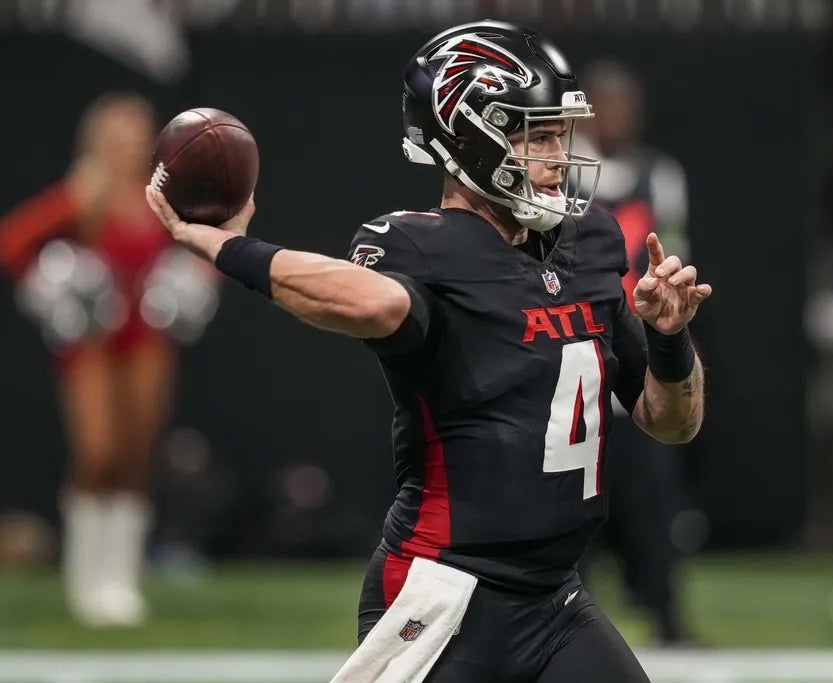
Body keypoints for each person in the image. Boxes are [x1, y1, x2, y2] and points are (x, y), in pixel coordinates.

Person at [146, 20, 710, 682]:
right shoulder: (418, 245)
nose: (562, 155)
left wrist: (671, 338)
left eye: (561, 133)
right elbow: (370, 303)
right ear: (467, 140)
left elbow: (674, 421)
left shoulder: (591, 241)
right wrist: (227, 246)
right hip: (444, 594)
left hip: (556, 599)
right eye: (539, 136)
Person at [0, 93, 216, 627]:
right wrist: (50, 288)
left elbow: (208, 247)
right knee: (97, 452)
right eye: (119, 139)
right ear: (98, 143)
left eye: (138, 138)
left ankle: (119, 581)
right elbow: (12, 242)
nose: (130, 148)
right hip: (92, 344)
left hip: (147, 340)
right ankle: (85, 576)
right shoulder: (82, 197)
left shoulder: (163, 198)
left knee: (136, 457)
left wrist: (193, 281)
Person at [574, 58, 697, 645]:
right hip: (577, 354)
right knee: (571, 509)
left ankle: (667, 617)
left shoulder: (659, 174)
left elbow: (674, 254)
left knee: (653, 503)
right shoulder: (562, 175)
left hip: (638, 348)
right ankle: (573, 626)